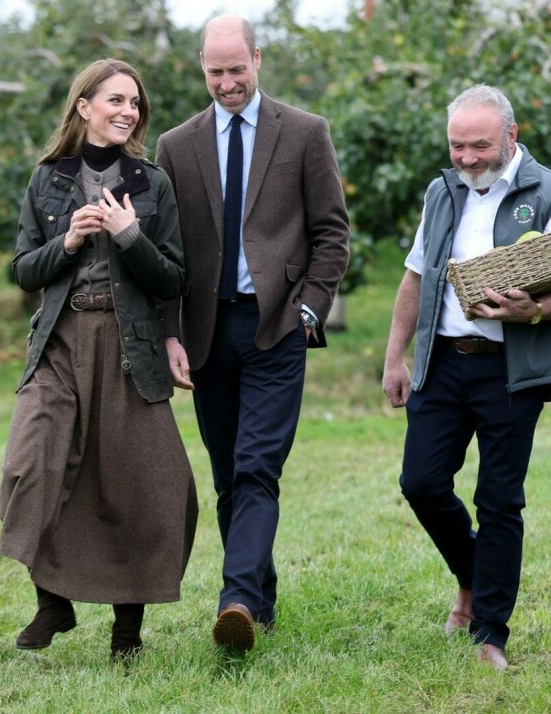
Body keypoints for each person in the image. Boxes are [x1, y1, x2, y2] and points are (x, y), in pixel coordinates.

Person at [382, 84, 551, 670]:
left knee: (499, 499)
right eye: (457, 147)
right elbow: (416, 276)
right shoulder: (442, 190)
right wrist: (395, 357)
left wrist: (530, 309)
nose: (468, 159)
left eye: (480, 146)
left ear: (511, 135)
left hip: (511, 369)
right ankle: (474, 577)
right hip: (444, 361)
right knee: (421, 483)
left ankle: (489, 634)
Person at [155, 15, 350, 653]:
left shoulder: (303, 132)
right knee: (226, 477)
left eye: (237, 69)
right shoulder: (176, 146)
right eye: (215, 72)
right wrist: (171, 333)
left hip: (276, 328)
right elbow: (166, 251)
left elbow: (331, 232)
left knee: (257, 467)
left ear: (257, 59)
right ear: (202, 69)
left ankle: (234, 598)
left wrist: (309, 309)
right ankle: (257, 603)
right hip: (207, 330)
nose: (227, 82)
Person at [0, 58, 199, 662]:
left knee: (137, 484)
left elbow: (173, 278)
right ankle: (53, 601)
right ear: (84, 106)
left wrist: (130, 234)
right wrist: (69, 240)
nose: (128, 112)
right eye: (115, 100)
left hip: (126, 344)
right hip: (59, 341)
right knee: (28, 468)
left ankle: (127, 632)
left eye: (134, 103)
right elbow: (21, 271)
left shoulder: (151, 183)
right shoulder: (47, 180)